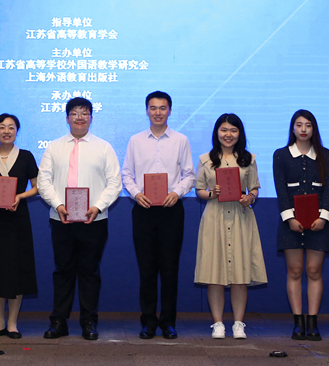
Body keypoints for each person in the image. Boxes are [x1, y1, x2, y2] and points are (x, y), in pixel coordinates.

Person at [38, 97, 122, 341]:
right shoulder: (54, 147)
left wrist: (98, 206)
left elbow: (115, 183)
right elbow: (43, 181)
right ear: (67, 118)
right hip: (61, 219)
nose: (79, 117)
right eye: (74, 113)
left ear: (91, 118)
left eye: (84, 113)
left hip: (93, 220)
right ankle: (58, 322)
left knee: (89, 272)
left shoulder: (104, 147)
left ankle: (89, 321)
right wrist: (58, 205)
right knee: (63, 271)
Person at [122, 91, 195, 340]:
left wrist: (177, 192)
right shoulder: (135, 141)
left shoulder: (181, 140)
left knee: (170, 268)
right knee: (147, 269)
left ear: (170, 111)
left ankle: (168, 323)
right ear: (146, 111)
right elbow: (127, 174)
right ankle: (148, 322)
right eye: (153, 108)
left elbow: (189, 175)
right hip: (143, 210)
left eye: (162, 108)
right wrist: (135, 194)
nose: (157, 112)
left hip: (170, 210)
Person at [194, 113, 266, 339]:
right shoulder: (206, 159)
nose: (228, 134)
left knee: (240, 273)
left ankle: (238, 323)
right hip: (214, 217)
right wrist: (211, 193)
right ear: (217, 132)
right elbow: (199, 189)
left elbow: (254, 188)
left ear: (239, 133)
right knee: (214, 273)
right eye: (224, 129)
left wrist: (249, 197)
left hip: (240, 217)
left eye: (233, 130)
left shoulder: (248, 159)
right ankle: (217, 323)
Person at [0, 113, 40, 339]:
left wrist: (20, 196)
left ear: (17, 131)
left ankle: (12, 323)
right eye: (2, 127)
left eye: (11, 127)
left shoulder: (26, 156)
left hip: (17, 218)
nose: (6, 131)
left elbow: (38, 187)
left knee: (16, 269)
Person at [273, 109, 329, 341]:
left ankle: (313, 322)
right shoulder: (281, 155)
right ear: (293, 128)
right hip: (291, 223)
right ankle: (298, 322)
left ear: (313, 128)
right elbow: (281, 189)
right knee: (295, 270)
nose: (304, 129)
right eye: (299, 125)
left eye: (308, 125)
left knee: (314, 270)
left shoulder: (324, 155)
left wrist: (324, 217)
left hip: (319, 222)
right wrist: (290, 218)